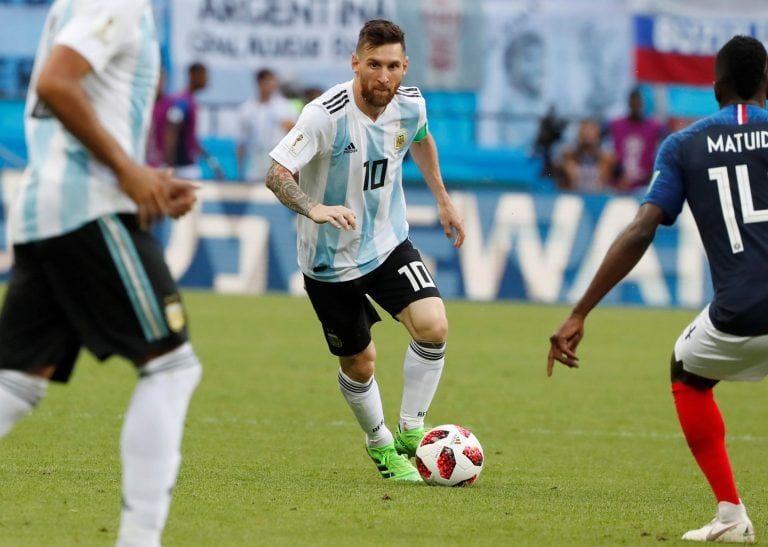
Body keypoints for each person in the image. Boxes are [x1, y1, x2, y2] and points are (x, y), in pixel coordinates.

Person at [547, 35, 768, 543]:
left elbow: (641, 230)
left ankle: (732, 516)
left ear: (715, 89)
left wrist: (579, 312)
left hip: (740, 316)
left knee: (687, 373)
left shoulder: (684, 145)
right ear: (764, 84)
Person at [0, 2, 201, 546]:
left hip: (50, 207)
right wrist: (126, 170)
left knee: (19, 379)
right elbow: (56, 83)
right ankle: (140, 539)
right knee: (171, 368)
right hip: (87, 207)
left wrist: (144, 177)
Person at [266, 19, 465, 481]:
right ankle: (380, 444)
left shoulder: (411, 105)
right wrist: (312, 207)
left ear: (405, 66)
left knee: (433, 325)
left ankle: (413, 428)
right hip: (328, 261)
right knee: (360, 363)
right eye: (374, 64)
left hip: (386, 242)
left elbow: (422, 140)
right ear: (355, 63)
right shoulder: (324, 116)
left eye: (393, 66)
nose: (384, 76)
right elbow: (276, 172)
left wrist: (442, 198)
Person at [162, 63, 223, 180]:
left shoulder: (191, 101)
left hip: (188, 165)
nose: (207, 80)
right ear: (193, 75)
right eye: (204, 75)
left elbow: (191, 139)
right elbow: (171, 133)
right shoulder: (182, 102)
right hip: (182, 169)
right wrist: (169, 166)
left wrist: (211, 161)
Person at [236, 69, 296, 183]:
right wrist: (240, 170)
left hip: (279, 170)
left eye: (273, 81)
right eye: (267, 82)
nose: (271, 85)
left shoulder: (285, 107)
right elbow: (241, 142)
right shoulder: (247, 109)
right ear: (259, 83)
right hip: (254, 170)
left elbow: (296, 135)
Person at [609, 88, 665, 191]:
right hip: (618, 183)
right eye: (633, 101)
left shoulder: (654, 126)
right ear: (628, 103)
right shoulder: (616, 125)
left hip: (645, 183)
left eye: (638, 102)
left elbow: (670, 139)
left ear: (642, 103)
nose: (635, 105)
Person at [556, 119, 617, 192]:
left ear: (597, 135)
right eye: (584, 131)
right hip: (575, 194)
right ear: (579, 134)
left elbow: (604, 178)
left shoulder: (607, 157)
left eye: (590, 131)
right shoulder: (569, 156)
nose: (587, 134)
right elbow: (567, 180)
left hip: (599, 195)